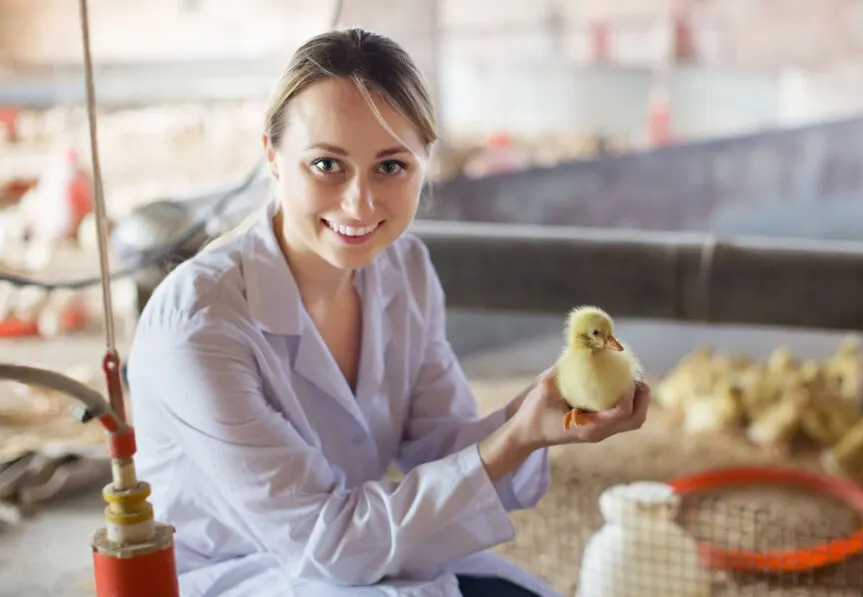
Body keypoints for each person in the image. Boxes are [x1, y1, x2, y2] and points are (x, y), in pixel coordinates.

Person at [126, 28, 651, 597]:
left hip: (361, 564)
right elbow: (323, 542)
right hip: (243, 575)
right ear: (272, 157)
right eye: (327, 164)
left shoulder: (403, 270)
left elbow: (442, 447)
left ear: (426, 162)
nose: (360, 202)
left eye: (391, 167)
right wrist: (513, 439)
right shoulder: (201, 324)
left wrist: (538, 417)